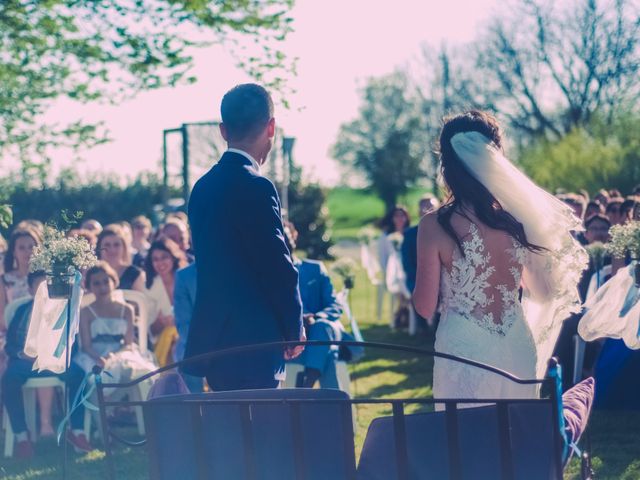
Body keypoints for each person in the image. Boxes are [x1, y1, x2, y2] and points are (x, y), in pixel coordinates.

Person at [413, 110, 587, 405]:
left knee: (465, 441)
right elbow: (543, 291)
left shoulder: (435, 224)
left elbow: (425, 306)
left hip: (465, 348)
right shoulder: (517, 220)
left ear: (448, 164)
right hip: (516, 342)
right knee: (514, 438)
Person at [185, 83, 304, 391]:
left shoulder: (202, 188)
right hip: (256, 338)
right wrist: (293, 327)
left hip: (217, 339)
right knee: (261, 433)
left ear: (223, 130)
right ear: (271, 127)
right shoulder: (258, 187)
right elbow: (276, 266)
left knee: (227, 432)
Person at [2, 271, 91, 458]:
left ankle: (78, 431)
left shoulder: (62, 311)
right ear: (30, 289)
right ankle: (21, 436)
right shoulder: (21, 311)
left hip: (55, 361)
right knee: (8, 379)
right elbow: (10, 344)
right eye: (39, 287)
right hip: (27, 362)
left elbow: (72, 343)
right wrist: (22, 354)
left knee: (79, 375)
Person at [0, 227, 56, 437]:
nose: (27, 251)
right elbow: (2, 320)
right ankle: (12, 422)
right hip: (13, 336)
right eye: (21, 247)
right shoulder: (5, 280)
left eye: (31, 246)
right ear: (13, 251)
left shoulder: (47, 277)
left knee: (45, 354)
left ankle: (46, 421)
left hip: (45, 336)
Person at [283, 225, 343, 388]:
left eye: (287, 234)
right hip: (294, 338)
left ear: (294, 237)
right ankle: (334, 406)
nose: (284, 239)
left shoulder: (315, 268)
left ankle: (305, 387)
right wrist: (297, 322)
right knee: (328, 353)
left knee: (321, 327)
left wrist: (314, 318)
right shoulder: (271, 276)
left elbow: (335, 304)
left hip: (323, 327)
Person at [144, 237, 187, 366]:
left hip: (189, 340)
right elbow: (150, 331)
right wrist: (161, 323)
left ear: (173, 257)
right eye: (155, 259)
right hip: (163, 346)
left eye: (164, 257)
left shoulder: (185, 279)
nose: (160, 262)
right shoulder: (149, 288)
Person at [173, 262, 203, 392]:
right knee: (190, 360)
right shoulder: (184, 276)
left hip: (231, 346)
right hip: (194, 346)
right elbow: (183, 323)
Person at [96, 224, 146, 291]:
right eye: (107, 245)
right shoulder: (91, 273)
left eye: (116, 245)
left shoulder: (135, 275)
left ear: (124, 247)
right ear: (99, 247)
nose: (112, 249)